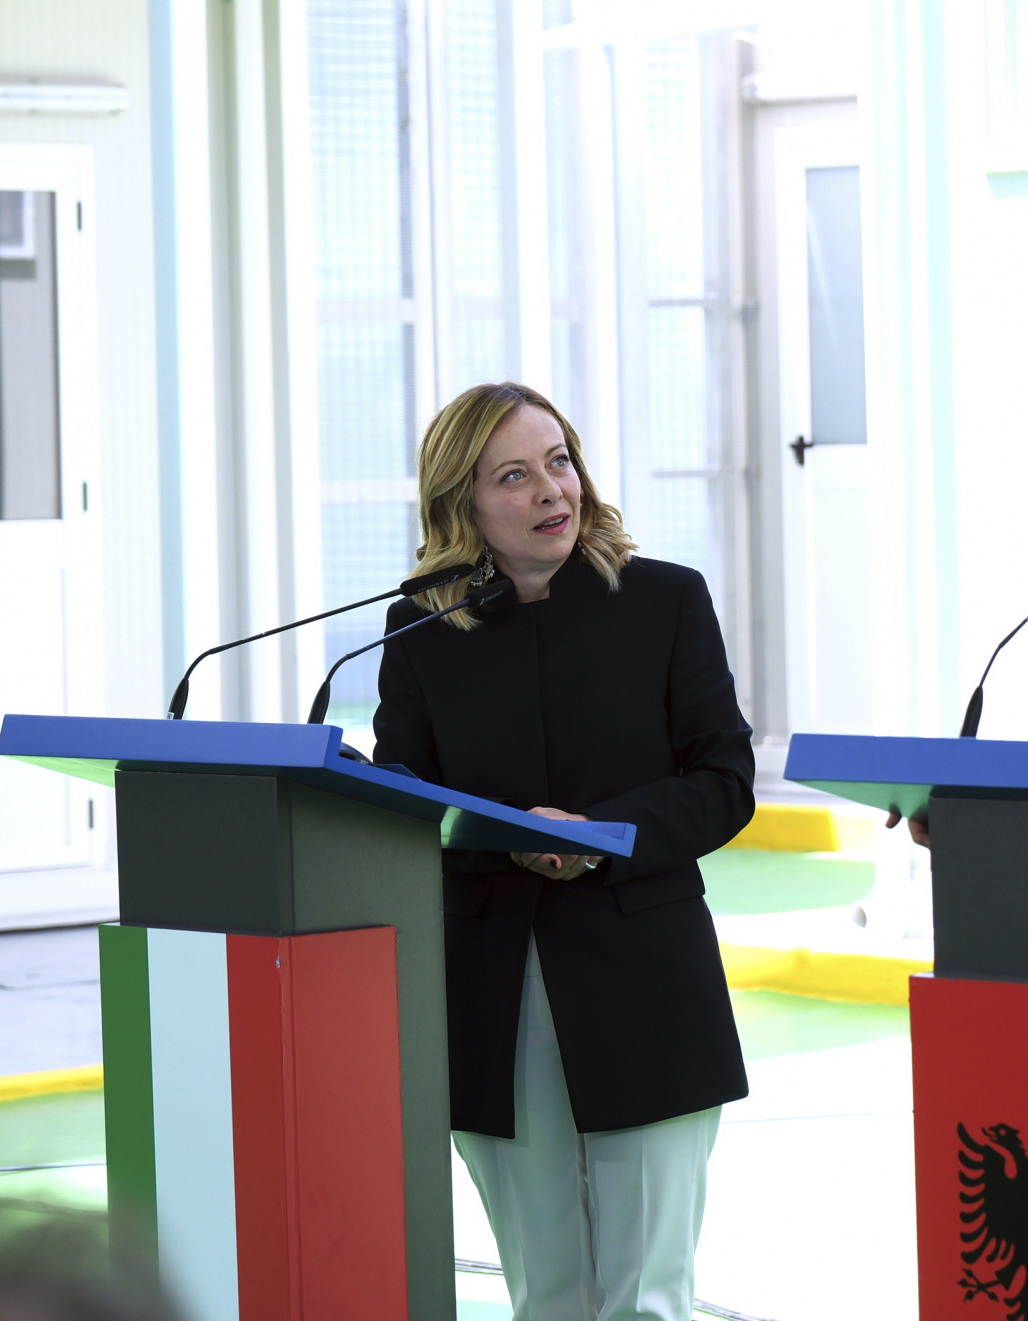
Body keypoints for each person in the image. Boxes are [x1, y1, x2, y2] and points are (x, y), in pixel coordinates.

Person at [372, 381, 753, 1321]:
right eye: (514, 475)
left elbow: (723, 777)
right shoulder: (422, 626)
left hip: (645, 974)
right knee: (545, 1296)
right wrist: (498, 836)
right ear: (462, 503)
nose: (552, 489)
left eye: (559, 461)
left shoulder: (665, 599)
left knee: (647, 1297)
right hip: (493, 982)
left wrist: (602, 836)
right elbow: (403, 801)